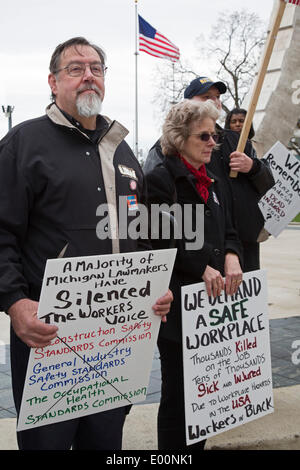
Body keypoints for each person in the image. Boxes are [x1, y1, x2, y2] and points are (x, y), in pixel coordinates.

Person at [0, 36, 173, 451]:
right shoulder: (23, 144)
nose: (88, 76)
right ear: (53, 82)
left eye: (96, 68)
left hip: (116, 338)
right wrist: (13, 301)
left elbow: (138, 233)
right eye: (75, 69)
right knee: (49, 444)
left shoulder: (124, 152)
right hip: (50, 334)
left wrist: (154, 285)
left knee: (105, 441)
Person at [145, 99, 243, 450]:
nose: (212, 143)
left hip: (212, 309)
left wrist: (232, 256)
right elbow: (158, 238)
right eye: (203, 136)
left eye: (214, 136)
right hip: (178, 307)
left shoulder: (214, 180)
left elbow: (230, 229)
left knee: (204, 396)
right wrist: (201, 264)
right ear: (179, 137)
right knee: (179, 395)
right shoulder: (159, 179)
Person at [144, 76, 275, 272]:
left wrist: (253, 167)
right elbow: (159, 220)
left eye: (217, 96)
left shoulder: (237, 141)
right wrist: (200, 263)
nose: (214, 101)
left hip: (241, 248)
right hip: (196, 261)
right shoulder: (164, 151)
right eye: (206, 96)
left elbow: (268, 182)